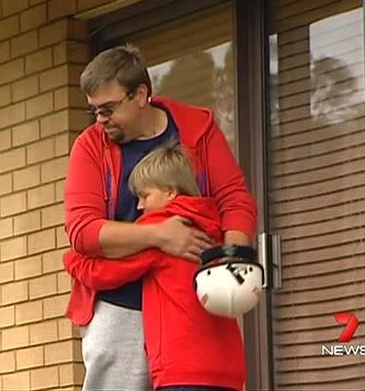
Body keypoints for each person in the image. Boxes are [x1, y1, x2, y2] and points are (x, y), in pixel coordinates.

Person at [63, 44, 257, 391]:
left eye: (108, 109)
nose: (100, 120)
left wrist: (233, 261)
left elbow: (234, 199)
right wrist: (159, 236)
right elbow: (83, 230)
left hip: (187, 307)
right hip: (121, 308)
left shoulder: (196, 128)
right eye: (94, 111)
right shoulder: (89, 147)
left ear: (140, 94)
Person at [64, 143, 245, 391]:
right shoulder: (213, 228)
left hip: (183, 370)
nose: (139, 207)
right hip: (228, 371)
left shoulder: (165, 228)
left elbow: (105, 273)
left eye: (145, 196)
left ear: (170, 192)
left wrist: (73, 259)